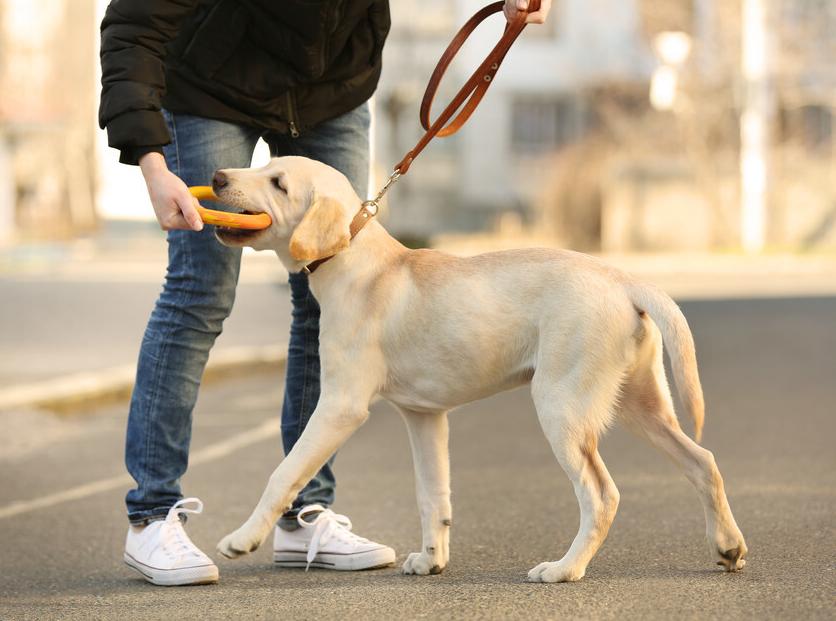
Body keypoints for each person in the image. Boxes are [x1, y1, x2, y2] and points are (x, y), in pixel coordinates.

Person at [99, 0, 551, 587]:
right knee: (200, 289)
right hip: (211, 87)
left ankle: (302, 514)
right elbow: (135, 24)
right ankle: (152, 517)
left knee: (335, 288)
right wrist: (152, 163)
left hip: (330, 89)